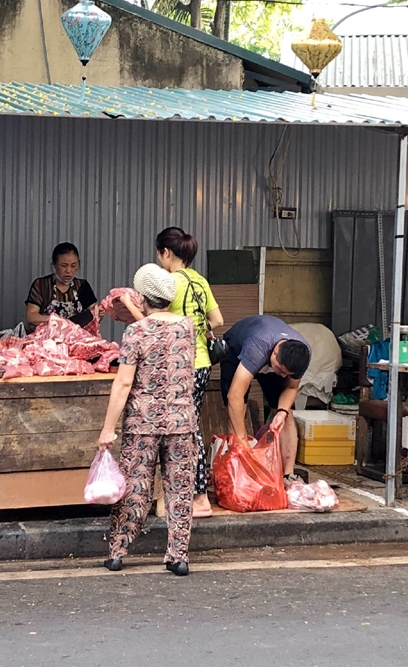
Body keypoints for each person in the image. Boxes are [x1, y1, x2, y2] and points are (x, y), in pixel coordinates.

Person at [98, 264, 197, 576]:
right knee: (179, 489)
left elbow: (124, 383)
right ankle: (178, 556)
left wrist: (107, 428)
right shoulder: (187, 327)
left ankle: (117, 552)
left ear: (141, 297)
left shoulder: (135, 333)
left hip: (143, 422)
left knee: (135, 487)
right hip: (182, 421)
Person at [121, 227, 223, 518]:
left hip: (180, 366)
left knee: (185, 433)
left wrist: (129, 305)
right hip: (201, 362)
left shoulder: (170, 283)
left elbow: (153, 328)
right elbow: (218, 318)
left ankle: (199, 496)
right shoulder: (200, 280)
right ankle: (183, 496)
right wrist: (197, 330)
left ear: (166, 253)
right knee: (188, 426)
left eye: (158, 253)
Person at [219, 315, 312, 480]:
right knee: (238, 409)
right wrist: (242, 440)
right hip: (236, 351)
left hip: (269, 354)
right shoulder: (257, 347)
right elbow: (235, 396)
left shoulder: (302, 354)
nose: (283, 375)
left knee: (287, 415)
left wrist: (282, 412)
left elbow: (291, 387)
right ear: (275, 352)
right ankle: (237, 472)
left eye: (287, 373)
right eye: (281, 370)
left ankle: (288, 475)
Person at [25, 242, 102, 333]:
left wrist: (99, 312)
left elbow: (95, 315)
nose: (69, 271)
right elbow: (31, 316)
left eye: (73, 265)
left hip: (76, 339)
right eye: (64, 266)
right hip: (46, 339)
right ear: (54, 265)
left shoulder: (82, 286)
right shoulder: (42, 285)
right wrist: (59, 322)